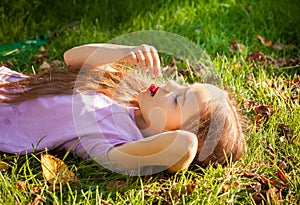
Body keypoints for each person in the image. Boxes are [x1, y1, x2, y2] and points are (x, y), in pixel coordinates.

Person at [0, 43, 246, 175]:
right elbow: (72, 58)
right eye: (182, 86)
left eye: (177, 100)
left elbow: (186, 143)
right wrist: (124, 53)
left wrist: (201, 142)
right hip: (9, 85)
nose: (170, 84)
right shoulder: (125, 95)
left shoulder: (115, 141)